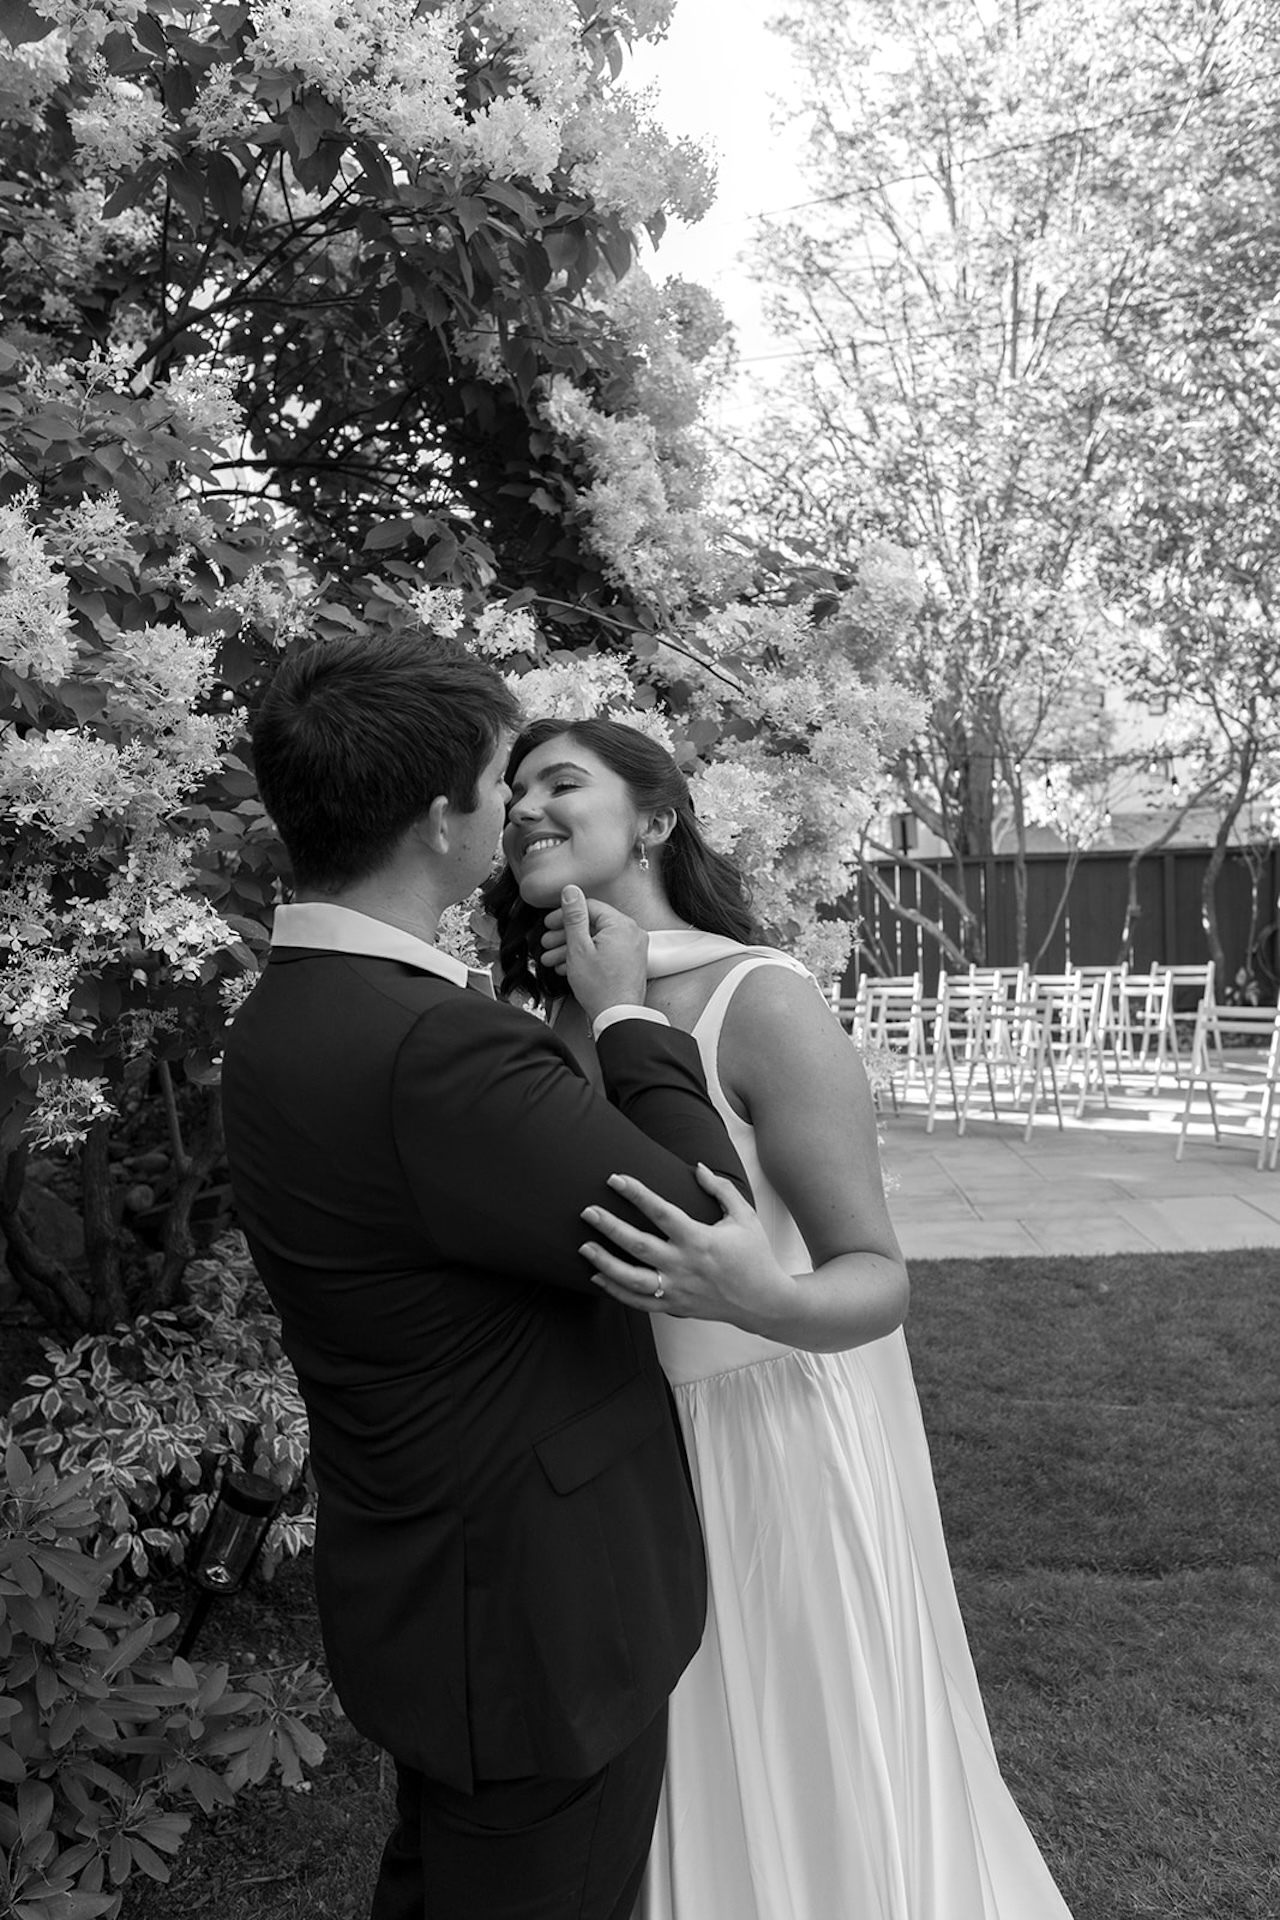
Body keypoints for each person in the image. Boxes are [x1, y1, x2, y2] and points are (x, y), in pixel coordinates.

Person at [220, 634, 772, 1920]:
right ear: (439, 819)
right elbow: (704, 1217)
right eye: (495, 778)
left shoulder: (282, 1015)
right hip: (537, 1624)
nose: (514, 804)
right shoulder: (434, 1049)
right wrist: (630, 1018)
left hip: (426, 1591)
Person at [488, 715, 1076, 1920]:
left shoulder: (756, 998)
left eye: (561, 784)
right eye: (510, 797)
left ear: (653, 820)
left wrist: (756, 1294)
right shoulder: (529, 1022)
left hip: (768, 1439)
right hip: (606, 1452)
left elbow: (875, 1274)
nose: (525, 811)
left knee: (803, 1750)